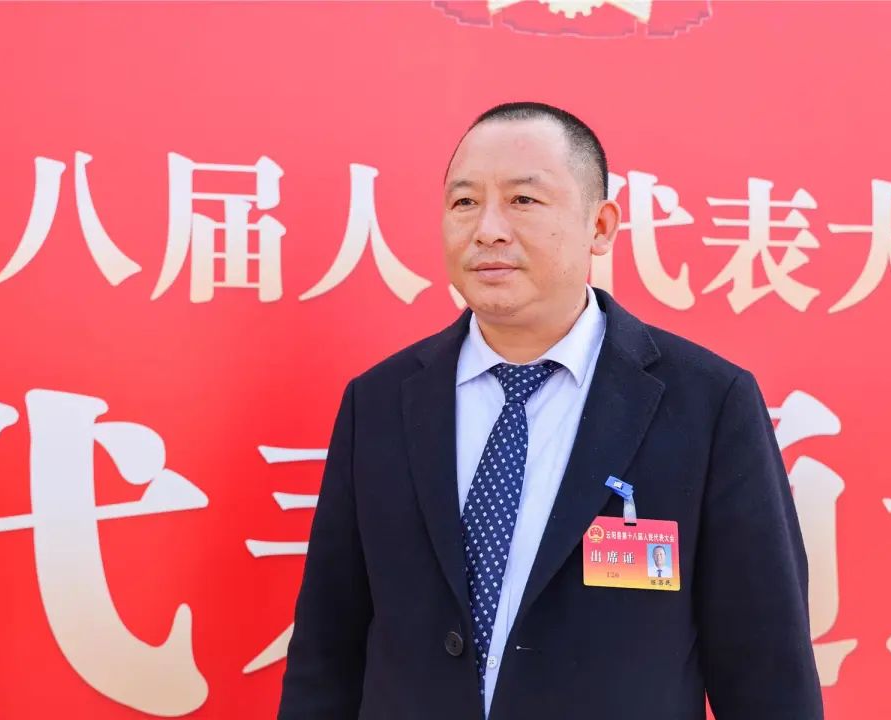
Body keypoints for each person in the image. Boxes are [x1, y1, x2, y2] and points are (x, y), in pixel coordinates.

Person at [277, 102, 822, 720]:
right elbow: (328, 649)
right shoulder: (379, 401)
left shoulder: (708, 403)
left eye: (523, 200)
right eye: (464, 202)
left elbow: (766, 670)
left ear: (601, 226)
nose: (487, 229)